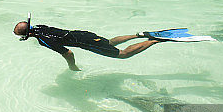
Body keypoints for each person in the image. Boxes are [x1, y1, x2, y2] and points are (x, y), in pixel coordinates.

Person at [13, 20, 162, 71]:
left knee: (123, 54)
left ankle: (154, 40)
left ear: (27, 35)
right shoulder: (38, 26)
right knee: (109, 42)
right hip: (84, 34)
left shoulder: (43, 40)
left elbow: (68, 53)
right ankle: (140, 35)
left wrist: (72, 66)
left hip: (86, 42)